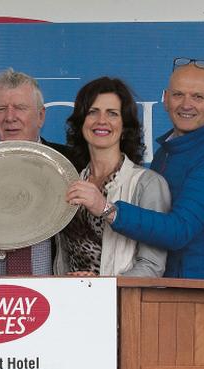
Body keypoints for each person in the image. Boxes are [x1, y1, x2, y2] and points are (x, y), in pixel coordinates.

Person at [104, 58, 204, 280]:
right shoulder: (167, 151)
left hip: (200, 300)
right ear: (166, 99)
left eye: (198, 96)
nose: (186, 104)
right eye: (178, 94)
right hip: (170, 294)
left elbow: (178, 231)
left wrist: (109, 210)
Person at [60, 77, 170, 277]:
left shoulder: (148, 184)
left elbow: (152, 267)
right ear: (81, 121)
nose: (101, 120)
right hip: (70, 302)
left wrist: (101, 289)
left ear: (124, 125)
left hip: (122, 304)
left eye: (112, 113)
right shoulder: (70, 182)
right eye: (93, 112)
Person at [0, 69, 81, 275]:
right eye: (1, 109)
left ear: (41, 116)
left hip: (57, 293)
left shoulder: (72, 164)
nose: (10, 117)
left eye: (20, 108)